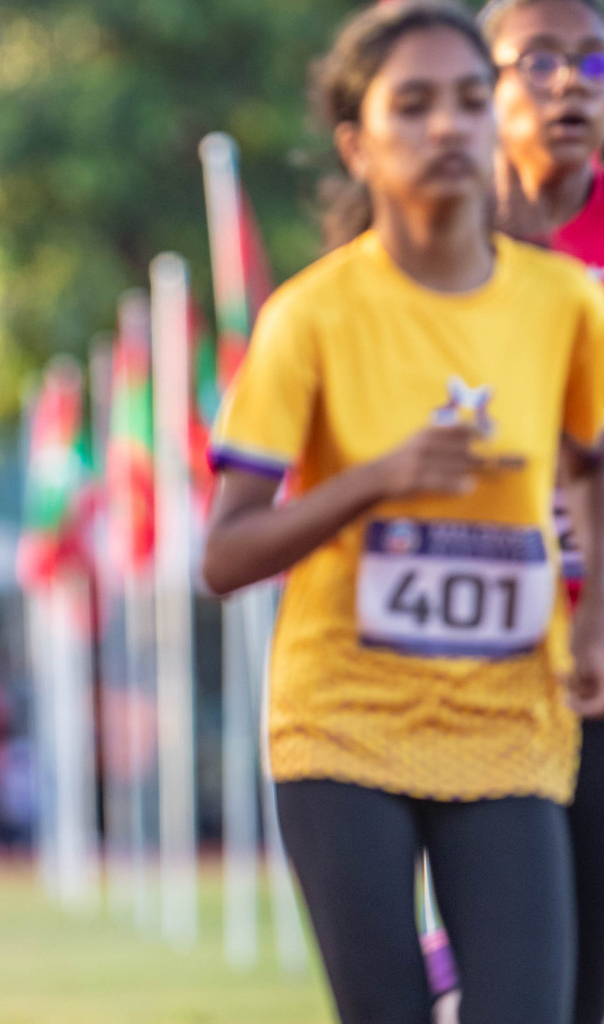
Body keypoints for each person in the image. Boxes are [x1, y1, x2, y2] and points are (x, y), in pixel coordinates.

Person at [202, 4, 604, 1023]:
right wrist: (374, 481)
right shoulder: (311, 315)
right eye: (414, 104)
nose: (450, 127)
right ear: (359, 143)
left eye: (471, 101)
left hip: (510, 721)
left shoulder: (565, 303)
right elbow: (225, 554)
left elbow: (593, 467)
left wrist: (594, 616)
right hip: (345, 727)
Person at [486, 3, 604, 1020]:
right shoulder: (436, 233)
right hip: (473, 650)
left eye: (594, 63)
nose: (572, 83)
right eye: (542, 62)